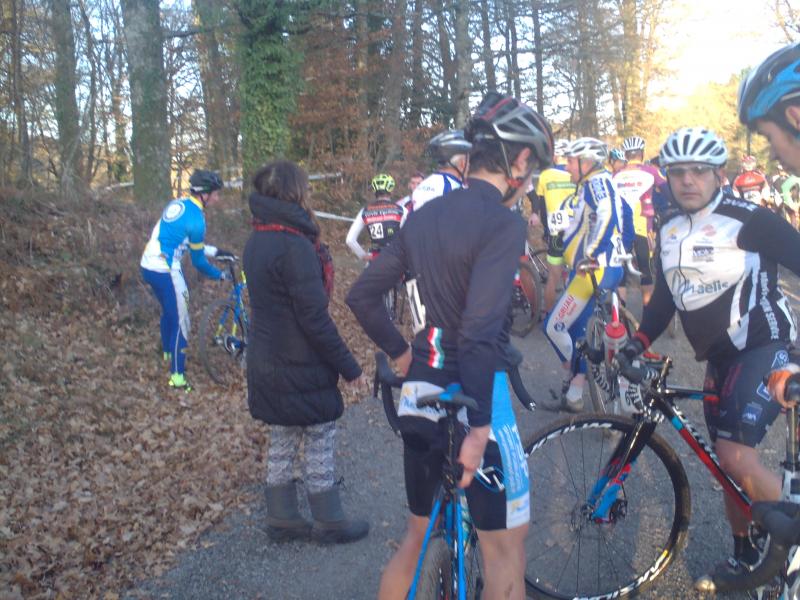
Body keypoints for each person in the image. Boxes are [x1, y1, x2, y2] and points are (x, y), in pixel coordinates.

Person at [347, 91, 554, 600]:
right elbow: (479, 331)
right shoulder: (503, 223)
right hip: (477, 399)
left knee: (416, 537)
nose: (530, 181)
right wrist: (480, 427)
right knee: (506, 551)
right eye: (532, 170)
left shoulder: (423, 216)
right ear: (519, 160)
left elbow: (362, 296)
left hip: (420, 390)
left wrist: (402, 353)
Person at [610, 127, 800, 591]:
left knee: (734, 453)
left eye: (699, 171)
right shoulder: (669, 228)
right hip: (720, 356)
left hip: (765, 344)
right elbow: (665, 299)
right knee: (725, 462)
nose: (688, 180)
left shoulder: (750, 219)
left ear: (719, 174)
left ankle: (794, 549)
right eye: (678, 172)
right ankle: (746, 554)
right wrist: (636, 341)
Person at [244, 160, 368, 545]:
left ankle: (282, 517)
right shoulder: (294, 246)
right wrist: (350, 367)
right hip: (299, 360)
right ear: (294, 192)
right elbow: (314, 319)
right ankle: (329, 520)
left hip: (265, 357)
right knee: (318, 433)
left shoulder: (257, 238)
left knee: (283, 434)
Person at [543, 137, 631, 412]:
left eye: (571, 161)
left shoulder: (596, 183)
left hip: (592, 272)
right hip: (606, 268)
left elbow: (607, 215)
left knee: (553, 327)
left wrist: (591, 254)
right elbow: (625, 215)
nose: (567, 166)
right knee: (579, 331)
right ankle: (574, 394)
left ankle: (576, 372)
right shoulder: (599, 183)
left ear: (587, 162)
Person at [140, 169, 234, 392]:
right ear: (205, 194)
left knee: (169, 311)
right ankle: (177, 377)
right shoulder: (197, 220)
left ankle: (167, 353)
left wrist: (217, 251)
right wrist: (220, 275)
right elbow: (198, 262)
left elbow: (180, 240)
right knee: (182, 321)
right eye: (215, 194)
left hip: (147, 265)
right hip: (166, 269)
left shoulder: (178, 204)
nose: (217, 198)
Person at [612, 135, 667, 305]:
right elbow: (668, 190)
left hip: (621, 228)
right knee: (646, 270)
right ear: (641, 154)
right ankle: (647, 310)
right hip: (643, 227)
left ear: (626, 155)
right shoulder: (650, 171)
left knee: (621, 270)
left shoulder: (616, 175)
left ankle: (620, 312)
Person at [528, 138, 576, 311]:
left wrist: (546, 231)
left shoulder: (545, 175)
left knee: (553, 278)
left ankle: (549, 316)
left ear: (555, 156)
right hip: (575, 231)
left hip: (556, 231)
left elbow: (541, 205)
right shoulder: (575, 174)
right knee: (576, 277)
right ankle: (572, 315)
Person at [346, 173, 407, 263]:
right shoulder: (401, 210)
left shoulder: (364, 211)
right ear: (391, 190)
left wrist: (363, 256)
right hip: (396, 259)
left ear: (374, 190)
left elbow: (350, 240)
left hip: (374, 259)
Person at [411, 130, 472, 211]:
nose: (470, 165)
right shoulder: (453, 189)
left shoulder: (424, 184)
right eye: (469, 161)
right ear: (462, 163)